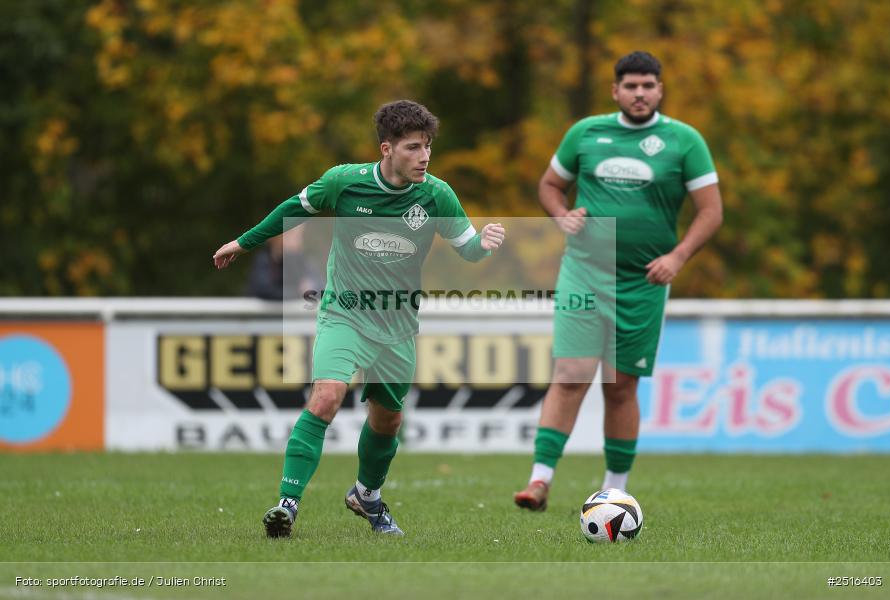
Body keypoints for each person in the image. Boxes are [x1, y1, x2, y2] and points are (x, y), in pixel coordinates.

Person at [213, 100, 504, 537]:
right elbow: (292, 208)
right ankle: (287, 505)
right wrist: (244, 242)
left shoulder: (437, 195)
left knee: (388, 421)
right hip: (344, 313)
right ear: (387, 149)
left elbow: (468, 249)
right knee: (326, 396)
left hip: (397, 325)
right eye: (413, 147)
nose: (424, 156)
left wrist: (485, 243)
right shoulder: (344, 182)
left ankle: (366, 495)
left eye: (427, 146)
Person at [514, 51, 723, 510]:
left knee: (622, 386)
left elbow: (711, 211)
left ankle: (615, 490)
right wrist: (561, 215)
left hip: (643, 281)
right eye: (631, 86)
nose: (639, 93)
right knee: (570, 374)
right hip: (585, 271)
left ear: (660, 90)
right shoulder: (586, 133)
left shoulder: (684, 141)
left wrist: (678, 256)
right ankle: (539, 480)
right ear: (616, 91)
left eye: (648, 85)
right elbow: (549, 186)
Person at [245, 228, 324, 300]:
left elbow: (321, 286)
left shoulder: (300, 260)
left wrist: (310, 287)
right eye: (293, 236)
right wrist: (298, 291)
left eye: (299, 236)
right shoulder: (264, 260)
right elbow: (264, 290)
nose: (299, 241)